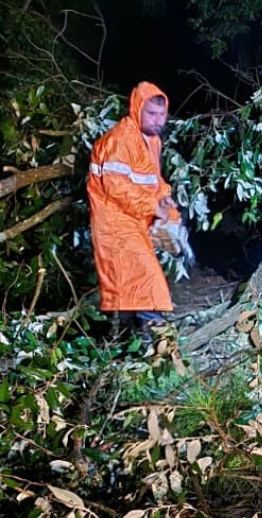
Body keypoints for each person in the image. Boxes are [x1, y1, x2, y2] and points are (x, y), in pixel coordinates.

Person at [87, 81, 181, 338]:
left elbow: (153, 180)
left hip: (134, 221)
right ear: (136, 109)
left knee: (130, 287)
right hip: (115, 224)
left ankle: (123, 343)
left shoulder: (152, 141)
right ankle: (155, 339)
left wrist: (164, 200)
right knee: (143, 281)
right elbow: (116, 187)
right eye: (152, 114)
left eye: (162, 114)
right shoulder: (120, 141)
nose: (158, 120)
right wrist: (153, 207)